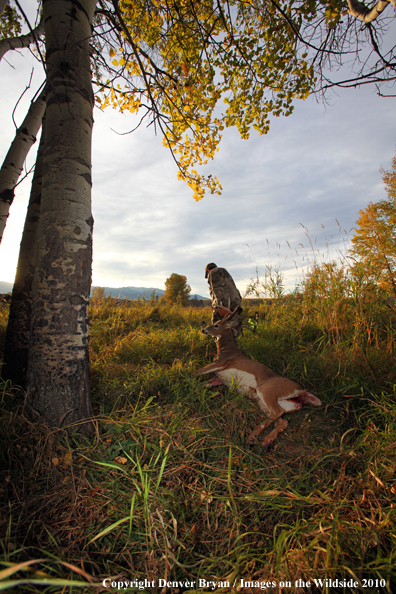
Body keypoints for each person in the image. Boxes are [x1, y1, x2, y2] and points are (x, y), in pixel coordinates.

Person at [205, 263, 243, 337]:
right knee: (234, 327)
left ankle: (220, 345)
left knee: (216, 326)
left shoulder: (213, 273)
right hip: (236, 304)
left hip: (224, 305)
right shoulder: (225, 273)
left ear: (208, 270)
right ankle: (234, 346)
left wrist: (220, 306)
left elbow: (217, 289)